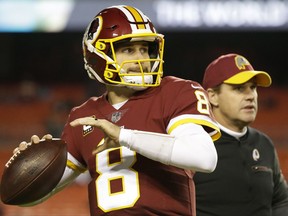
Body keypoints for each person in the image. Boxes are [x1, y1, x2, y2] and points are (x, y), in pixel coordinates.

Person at [11, 5, 221, 215]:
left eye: (145, 49)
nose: (141, 58)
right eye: (128, 50)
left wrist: (124, 136)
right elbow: (31, 196)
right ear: (98, 55)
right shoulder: (82, 116)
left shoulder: (175, 92)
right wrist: (29, 166)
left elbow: (204, 157)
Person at [194, 53, 288, 216]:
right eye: (239, 88)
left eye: (253, 88)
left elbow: (280, 200)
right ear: (213, 96)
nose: (250, 96)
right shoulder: (193, 143)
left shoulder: (263, 143)